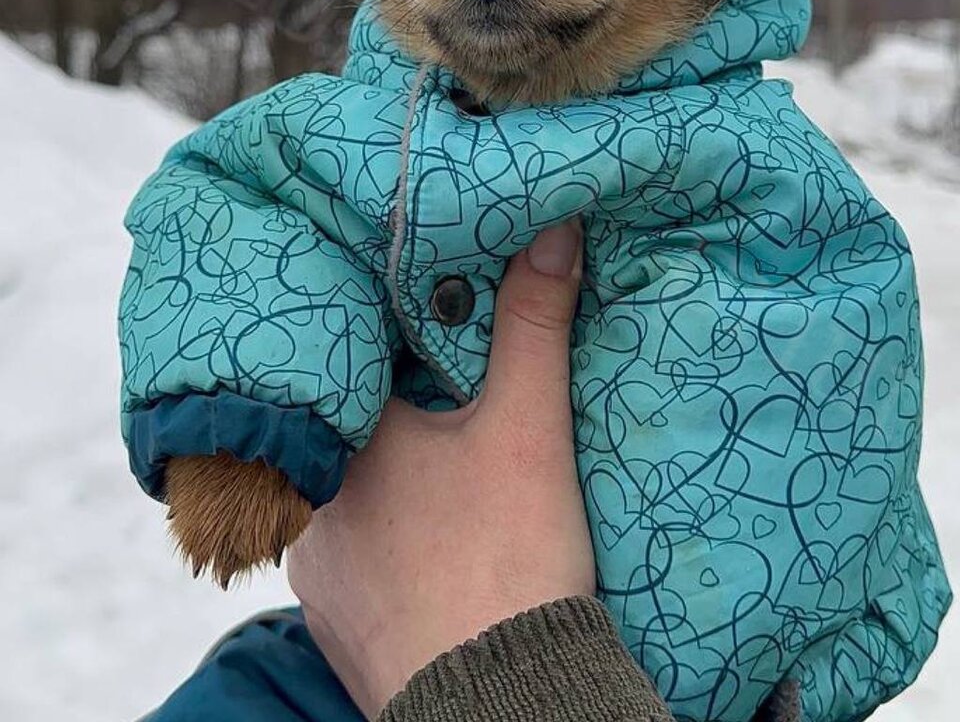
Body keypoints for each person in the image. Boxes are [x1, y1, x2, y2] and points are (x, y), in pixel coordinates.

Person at [144, 221, 798, 721]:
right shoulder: (380, 119)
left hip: (379, 626)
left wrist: (487, 665)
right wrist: (251, 429)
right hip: (318, 665)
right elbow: (246, 209)